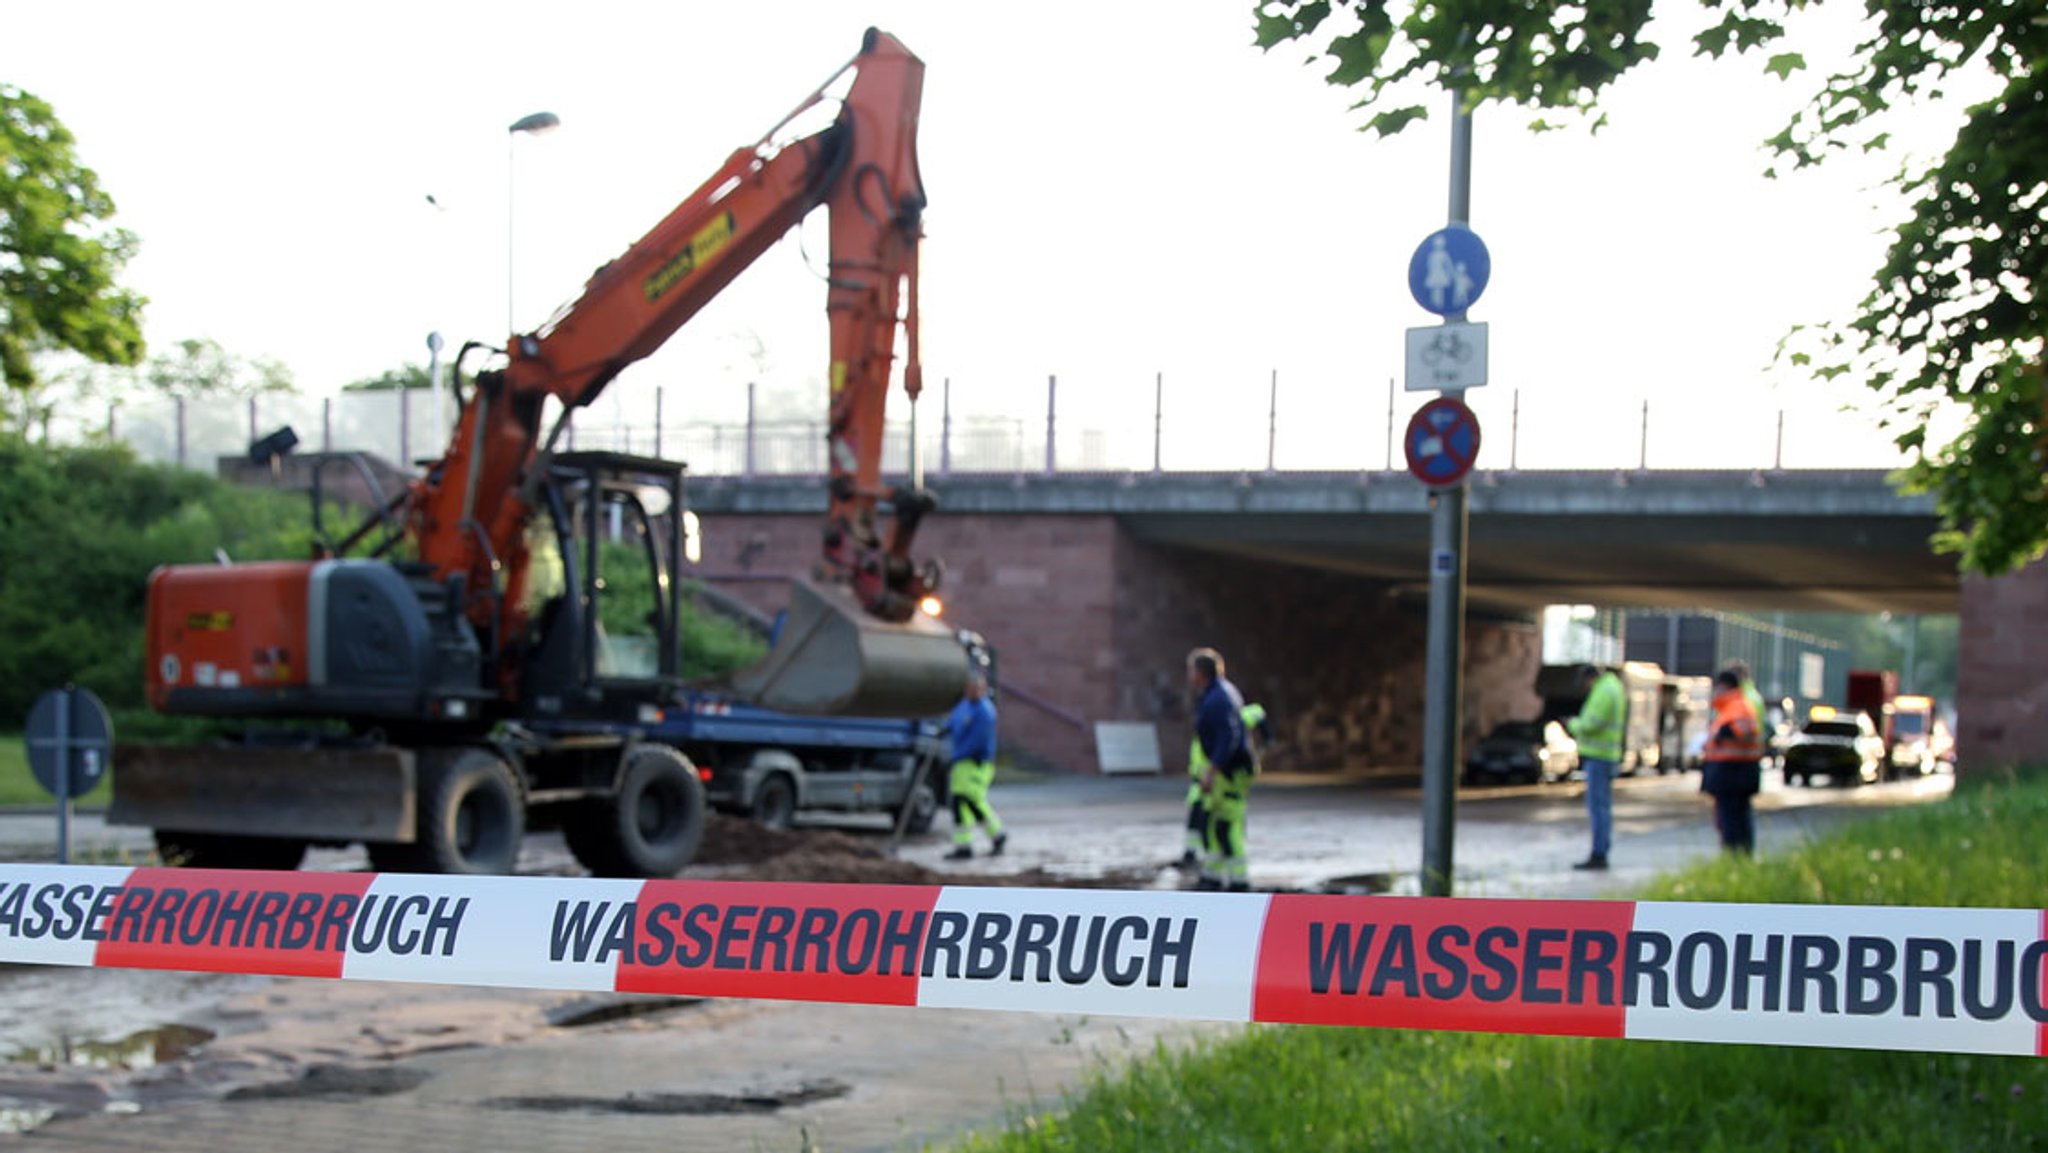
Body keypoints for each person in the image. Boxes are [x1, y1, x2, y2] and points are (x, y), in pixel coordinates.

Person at [1186, 647, 1258, 891]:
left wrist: (1212, 770)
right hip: (1227, 771)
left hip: (1229, 773)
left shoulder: (1218, 699)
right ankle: (1213, 876)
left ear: (1199, 673)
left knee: (1226, 827)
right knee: (1214, 823)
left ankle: (1239, 881)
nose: (1189, 676)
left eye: (1191, 670)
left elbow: (1228, 736)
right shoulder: (1219, 693)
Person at [1179, 693, 1272, 870]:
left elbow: (1258, 713)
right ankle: (1198, 857)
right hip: (1207, 780)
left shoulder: (1233, 721)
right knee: (1209, 824)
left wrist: (1266, 742)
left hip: (1221, 779)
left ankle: (1232, 875)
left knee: (1224, 828)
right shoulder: (1209, 729)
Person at [1566, 663, 1625, 870]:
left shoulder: (1604, 690)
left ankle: (1599, 854)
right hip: (1606, 756)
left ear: (1590, 677)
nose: (1585, 687)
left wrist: (1572, 725)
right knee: (1603, 807)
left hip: (1599, 757)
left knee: (1598, 808)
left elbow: (1593, 723)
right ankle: (1600, 851)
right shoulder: (1613, 687)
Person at [1700, 669, 1765, 854]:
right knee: (1736, 818)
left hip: (1733, 773)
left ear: (1725, 686)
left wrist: (1722, 734)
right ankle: (1739, 856)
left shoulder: (1737, 706)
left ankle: (1735, 857)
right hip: (1734, 773)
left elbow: (1743, 732)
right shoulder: (1731, 707)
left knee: (1732, 820)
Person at [942, 672, 1004, 861]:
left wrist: (958, 755)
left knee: (971, 800)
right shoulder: (965, 705)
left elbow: (978, 741)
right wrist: (944, 730)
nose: (971, 691)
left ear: (982, 689)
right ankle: (963, 845)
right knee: (959, 804)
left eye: (975, 688)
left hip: (976, 763)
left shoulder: (985, 711)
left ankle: (997, 836)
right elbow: (954, 722)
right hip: (962, 764)